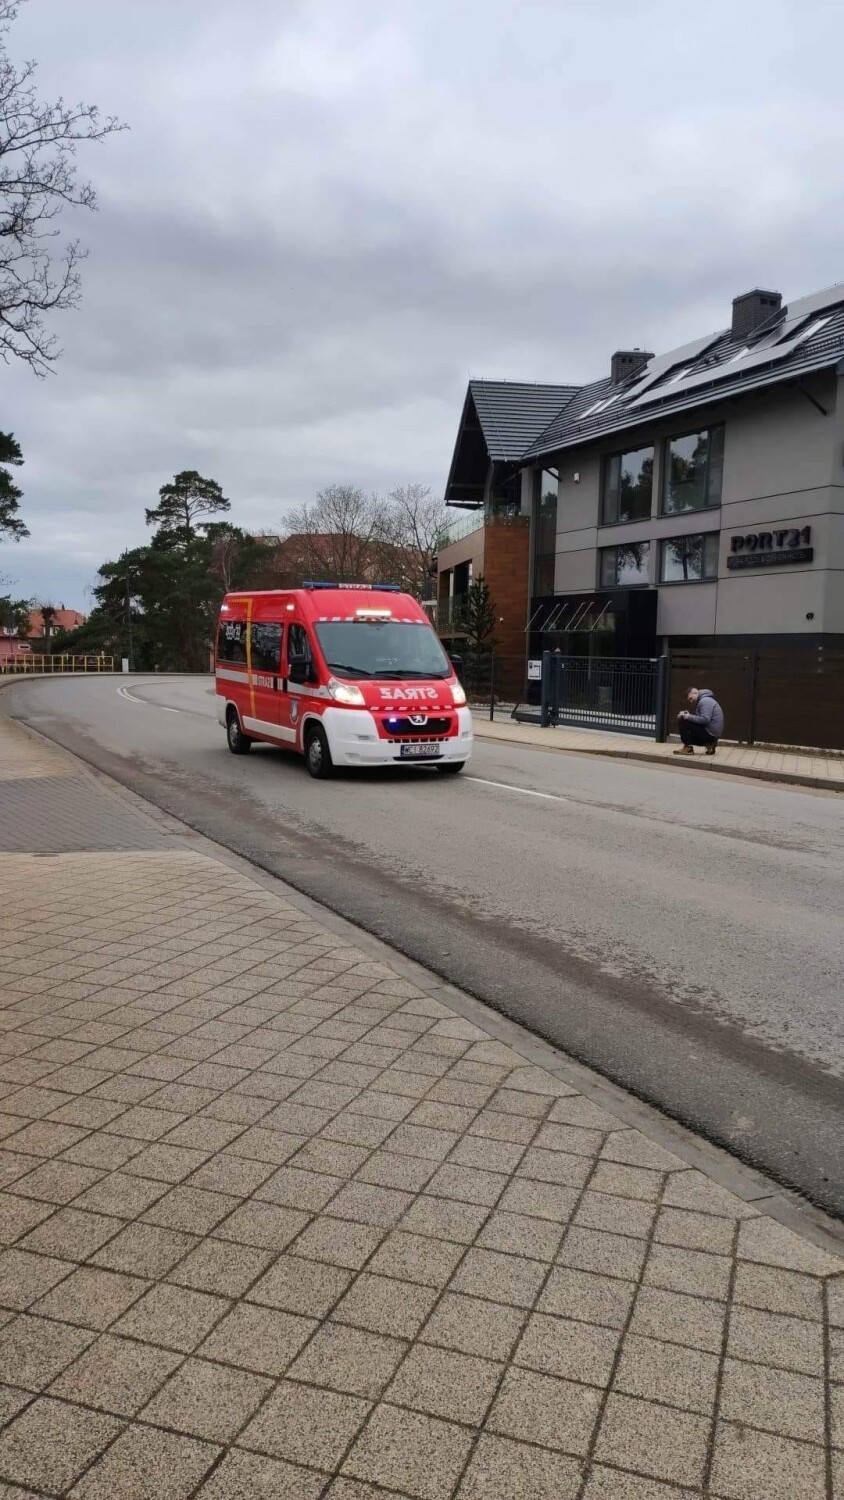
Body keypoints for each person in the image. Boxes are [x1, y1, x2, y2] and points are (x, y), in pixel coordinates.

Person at [674, 686, 724, 756]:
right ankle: (710, 744)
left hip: (710, 734)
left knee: (682, 720)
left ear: (694, 692)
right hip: (712, 734)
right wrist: (688, 715)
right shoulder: (706, 700)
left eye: (691, 698)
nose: (691, 701)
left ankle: (688, 748)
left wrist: (688, 716)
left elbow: (705, 719)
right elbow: (701, 718)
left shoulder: (705, 701)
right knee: (686, 720)